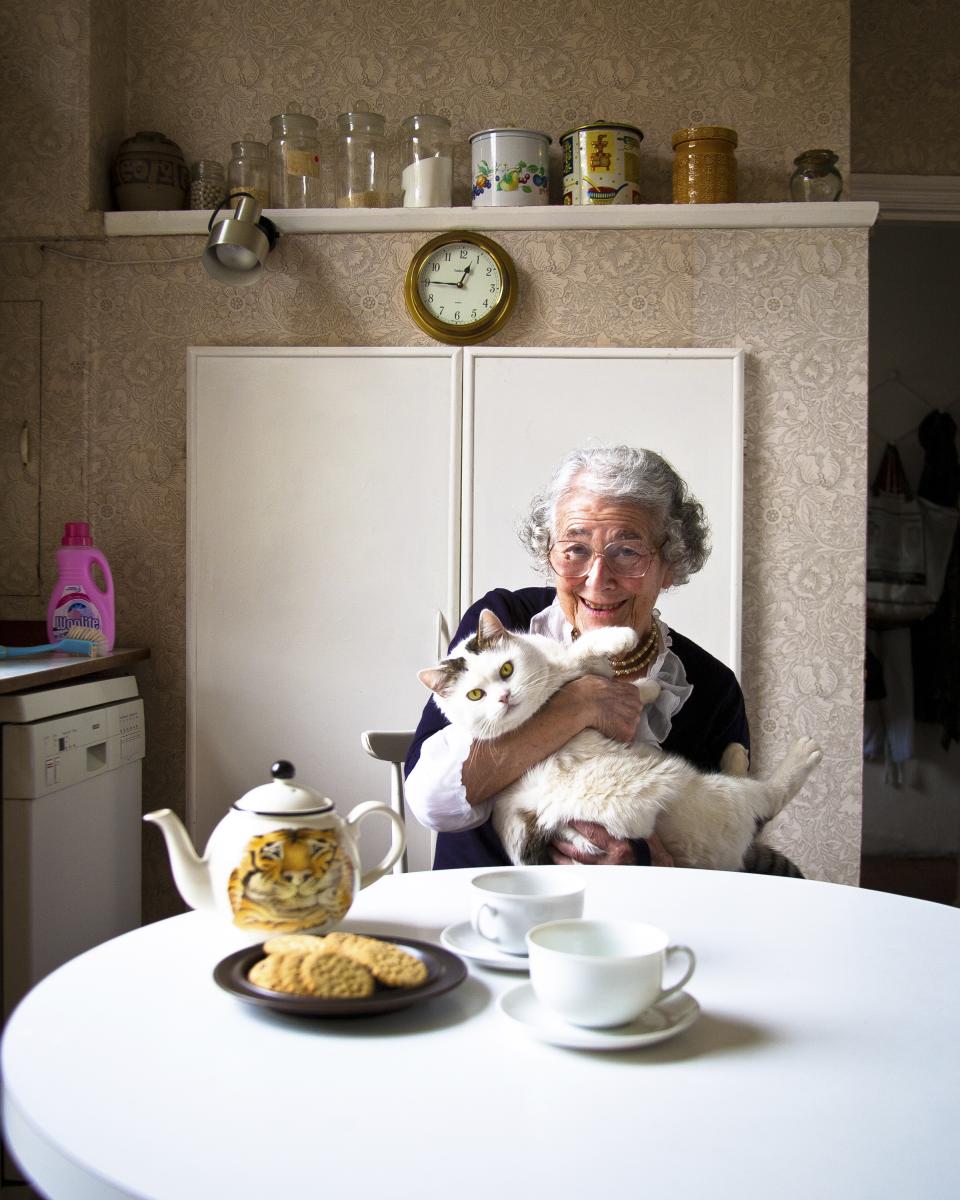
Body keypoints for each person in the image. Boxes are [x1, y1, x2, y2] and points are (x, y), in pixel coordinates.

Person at [404, 444, 749, 870]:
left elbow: (729, 846)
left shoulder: (711, 687)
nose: (598, 579)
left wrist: (645, 859)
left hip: (638, 923)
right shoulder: (507, 628)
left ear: (671, 563)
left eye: (628, 551)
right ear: (549, 553)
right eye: (576, 549)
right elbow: (432, 802)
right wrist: (580, 705)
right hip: (486, 907)